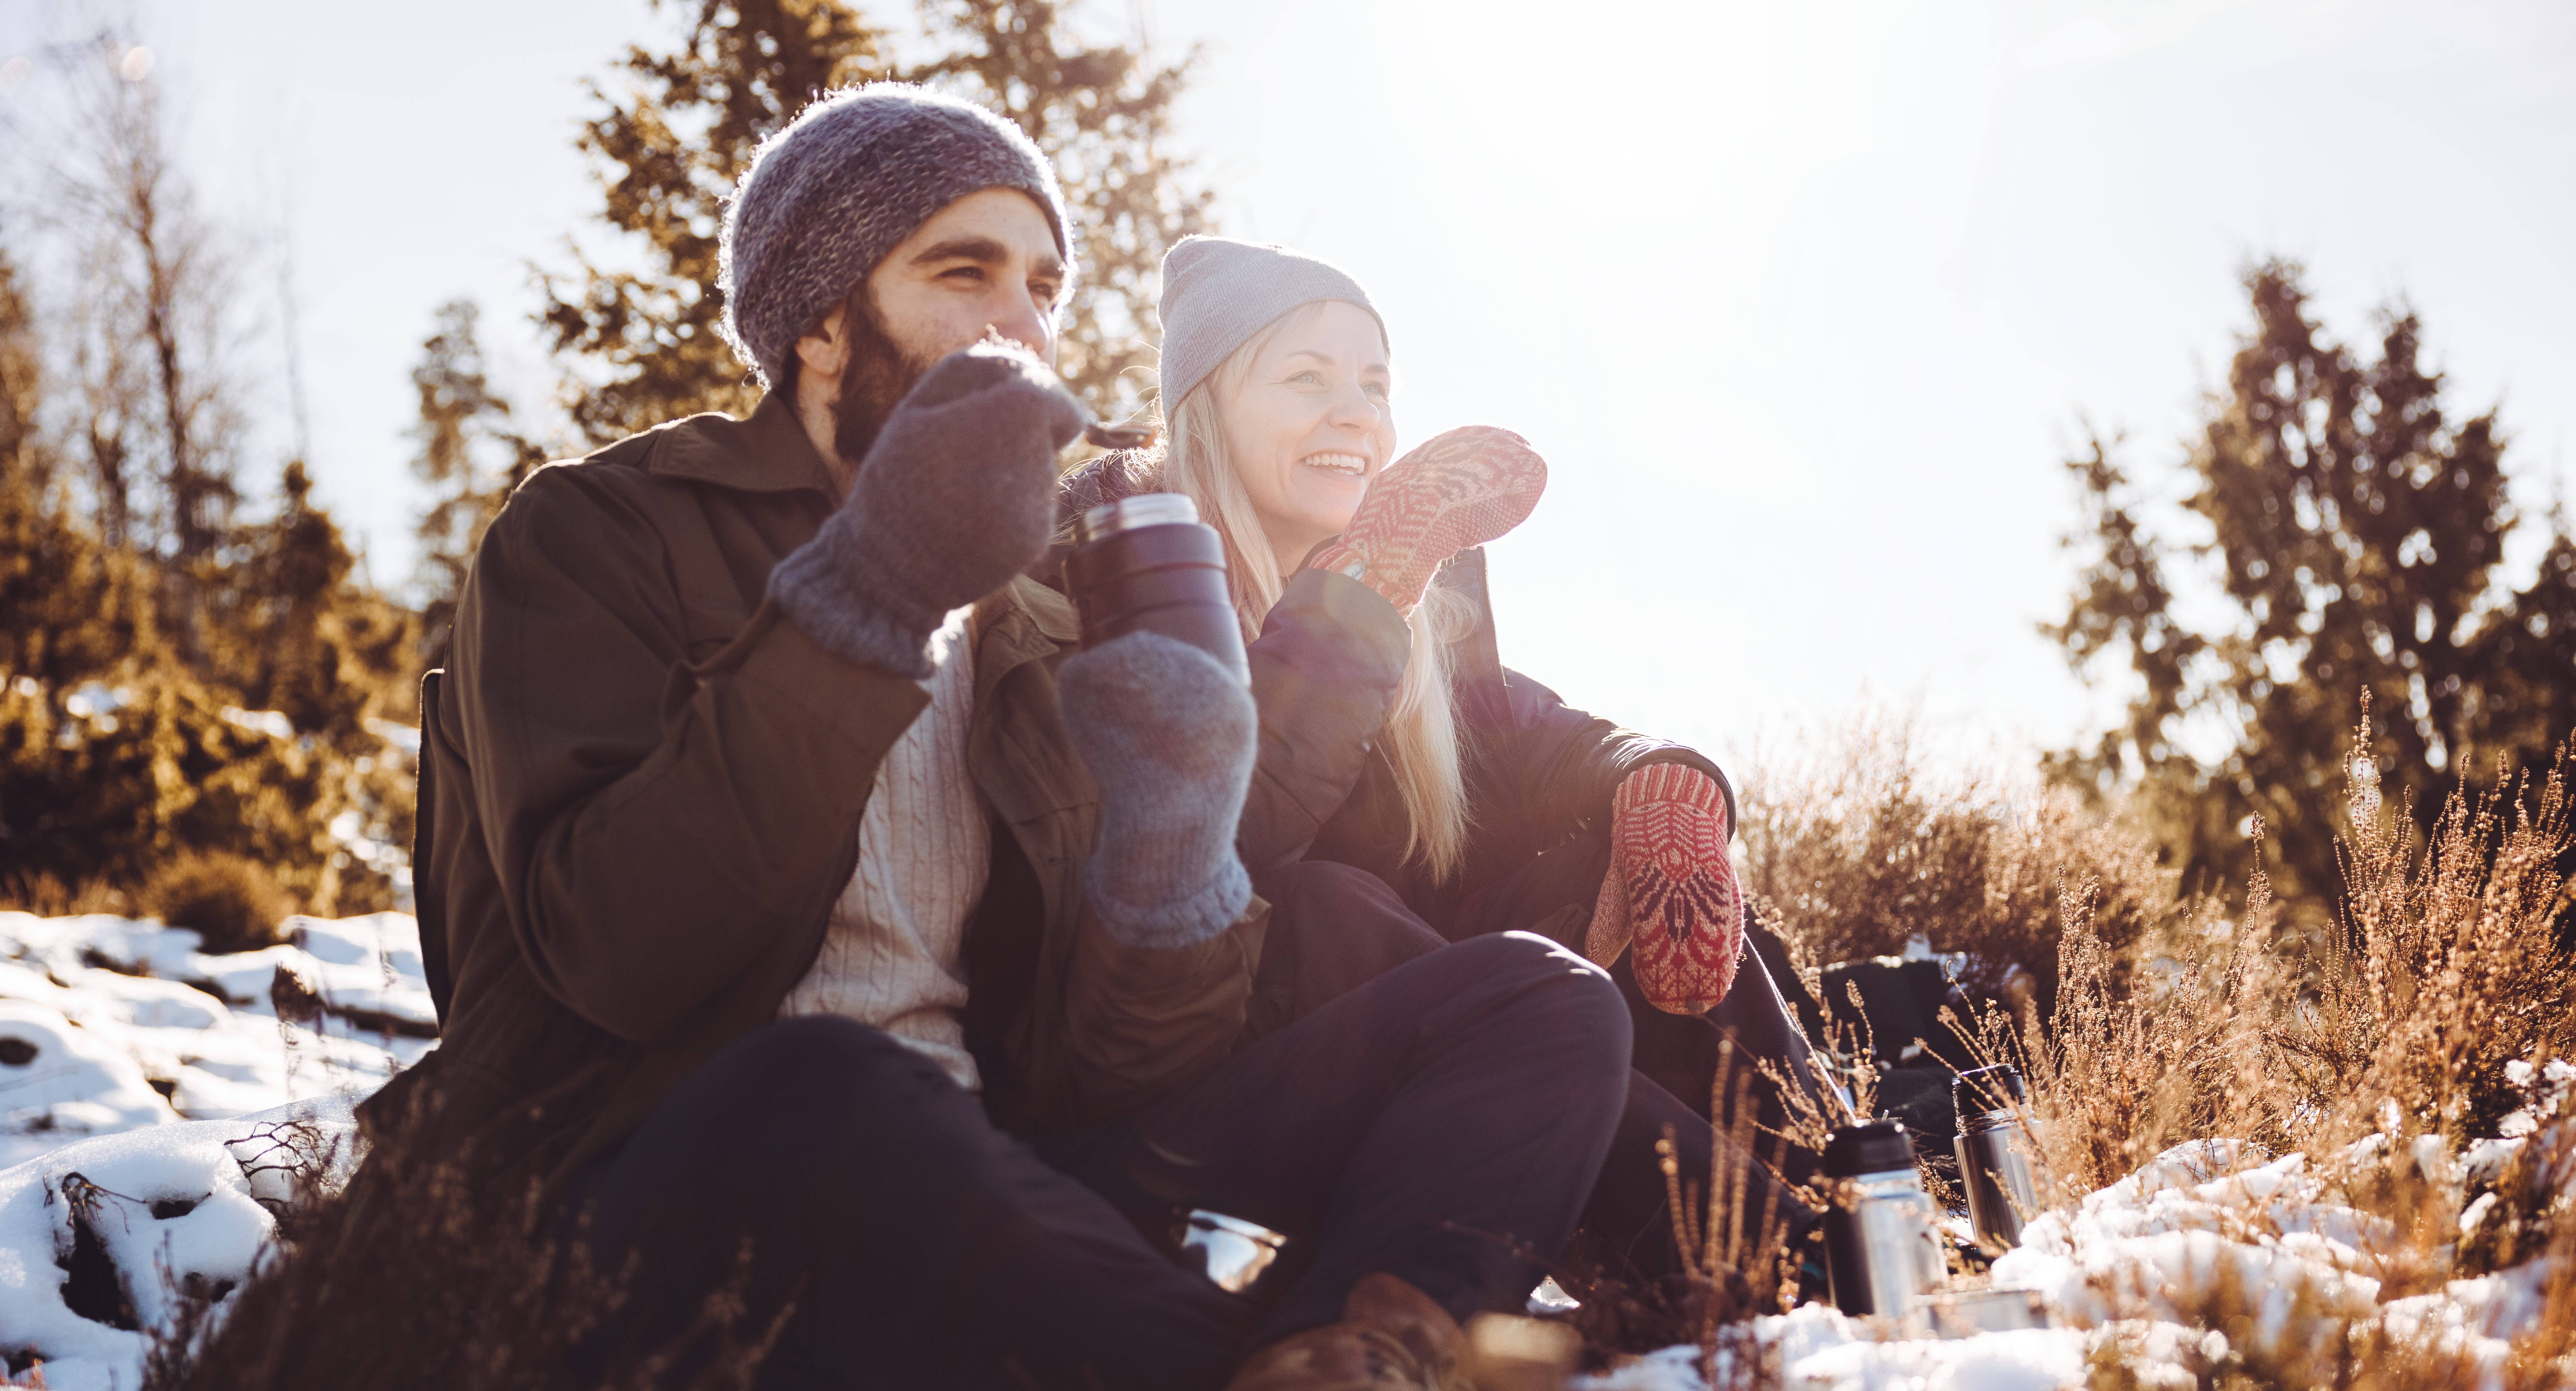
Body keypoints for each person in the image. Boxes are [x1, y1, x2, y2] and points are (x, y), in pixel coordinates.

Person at [366, 87, 1635, 1391]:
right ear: (816, 319)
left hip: (1002, 1172)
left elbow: (1112, 1071)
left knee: (1538, 997)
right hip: (679, 1177)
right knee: (825, 1085)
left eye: (1042, 289)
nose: (1021, 326)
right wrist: (871, 590)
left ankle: (1356, 1354)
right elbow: (622, 958)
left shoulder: (1028, 611)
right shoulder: (602, 533)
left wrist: (1169, 849)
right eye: (961, 273)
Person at [1058, 237, 1838, 1282]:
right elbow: (1220, 849)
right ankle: (1775, 1257)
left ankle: (1853, 1195)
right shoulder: (1120, 565)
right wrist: (1366, 591)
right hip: (1204, 1076)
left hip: (1437, 1034)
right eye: (1306, 377)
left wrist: (1658, 777)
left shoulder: (1411, 576)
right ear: (1205, 403)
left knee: (1639, 857)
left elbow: (1516, 731)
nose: (1359, 414)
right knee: (1326, 906)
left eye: (1374, 384)